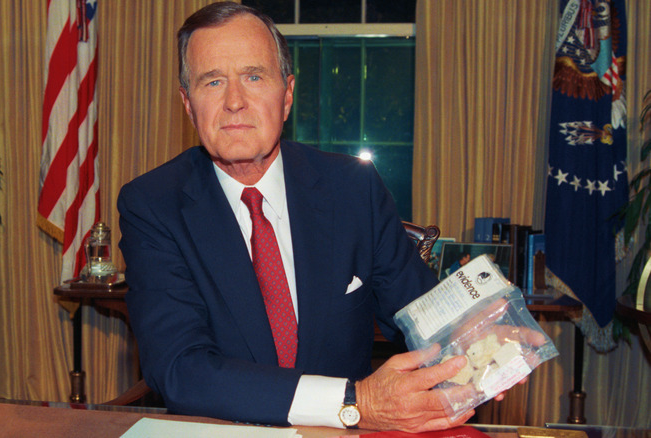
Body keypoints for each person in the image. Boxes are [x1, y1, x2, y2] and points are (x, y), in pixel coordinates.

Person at [117, 2, 512, 431]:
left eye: (254, 76)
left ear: (286, 95)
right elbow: (180, 370)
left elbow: (419, 311)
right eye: (212, 81)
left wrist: (482, 339)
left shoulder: (352, 187)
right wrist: (355, 401)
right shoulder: (153, 204)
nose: (234, 101)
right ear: (189, 104)